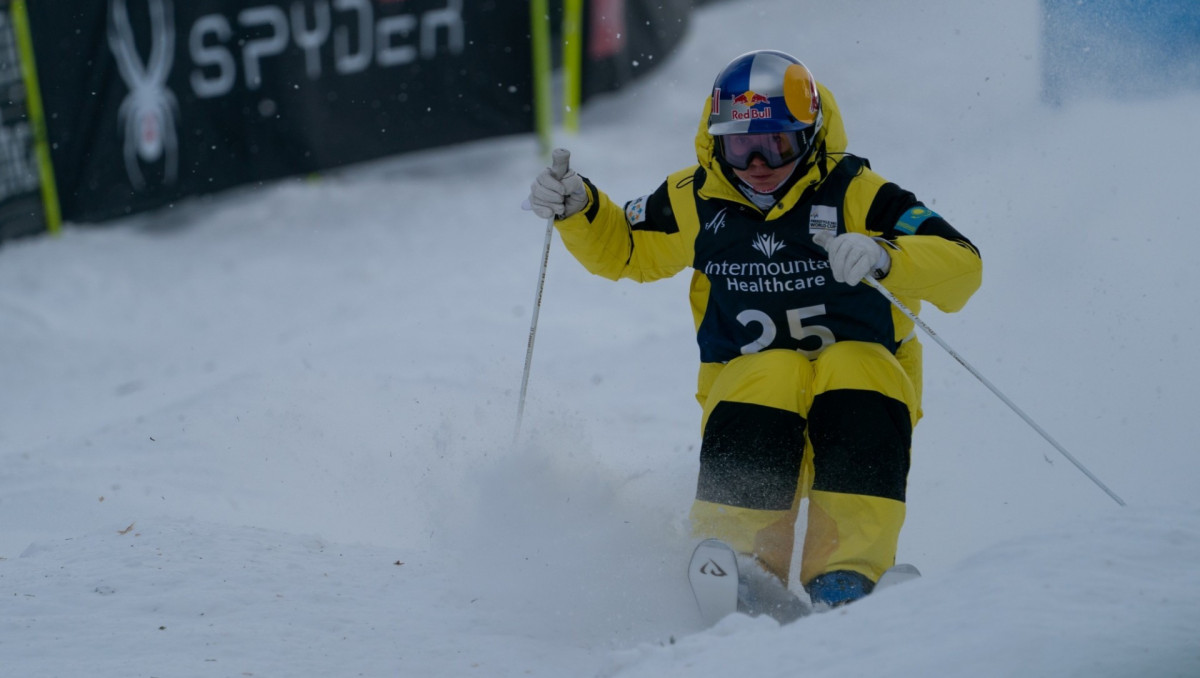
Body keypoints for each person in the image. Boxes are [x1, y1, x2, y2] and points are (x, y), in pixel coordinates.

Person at [526, 50, 982, 612]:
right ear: (718, 142)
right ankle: (741, 565)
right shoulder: (697, 197)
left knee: (856, 363)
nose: (759, 162)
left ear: (810, 137)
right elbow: (627, 248)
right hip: (749, 387)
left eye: (779, 143)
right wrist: (581, 209)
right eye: (740, 145)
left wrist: (886, 256)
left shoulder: (860, 194)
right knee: (771, 370)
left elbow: (963, 264)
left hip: (863, 386)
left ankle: (847, 575)